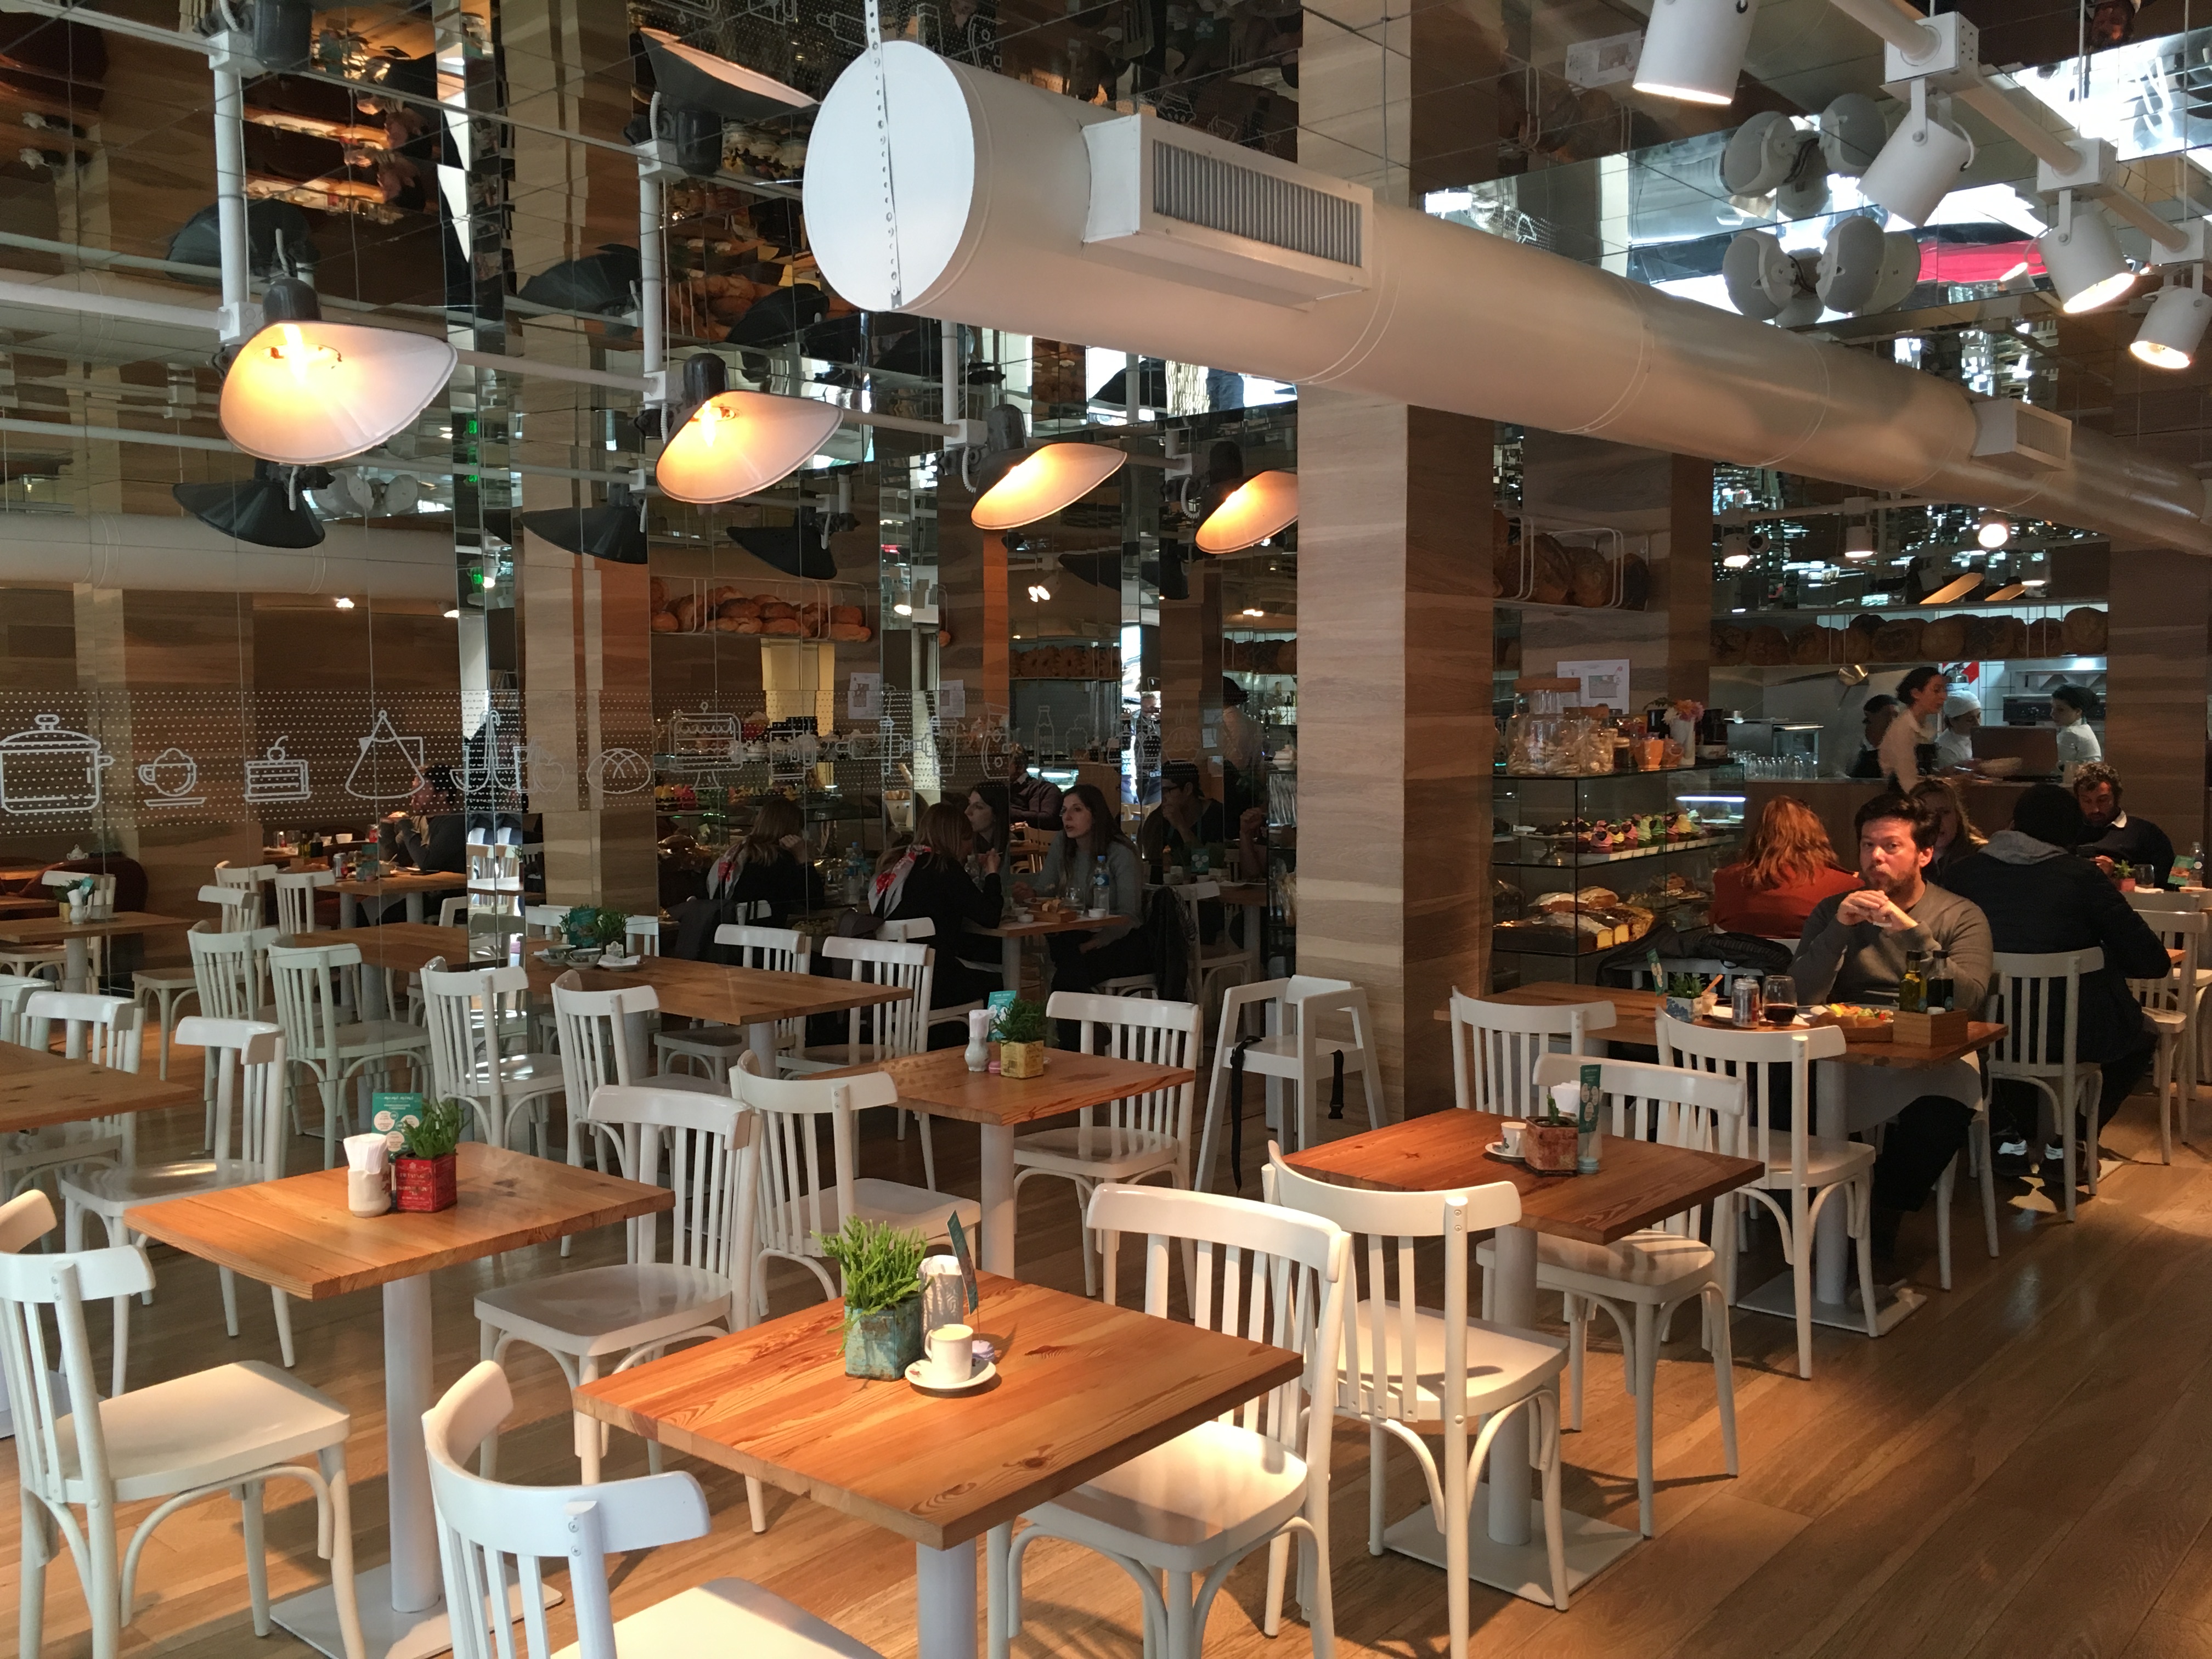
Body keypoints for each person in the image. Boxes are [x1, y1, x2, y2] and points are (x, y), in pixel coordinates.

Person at [1790, 793, 1993, 1271]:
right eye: (1867, 845)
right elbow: (1798, 994)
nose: (1876, 857)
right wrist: (1839, 930)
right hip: (1843, 1042)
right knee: (1775, 1087)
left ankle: (1881, 1216)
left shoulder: (1961, 915)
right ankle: (1806, 1211)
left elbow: (1969, 999)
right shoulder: (1833, 909)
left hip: (1928, 1044)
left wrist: (1911, 933)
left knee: (1943, 1108)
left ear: (1925, 854)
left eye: (1891, 846)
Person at [1945, 785, 2165, 1194]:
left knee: (2000, 1044)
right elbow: (2152, 962)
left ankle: (2004, 1133)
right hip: (2070, 1033)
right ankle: (2072, 1139)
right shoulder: (2082, 878)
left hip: (1979, 1033)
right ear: (2072, 834)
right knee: (2145, 1033)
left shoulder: (1963, 873)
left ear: (2013, 825)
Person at [872, 800, 1004, 1037]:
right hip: (932, 983)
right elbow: (990, 916)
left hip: (889, 979)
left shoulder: (900, 864)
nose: (970, 848)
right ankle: (997, 1046)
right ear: (956, 838)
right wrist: (993, 874)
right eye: (968, 840)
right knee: (997, 981)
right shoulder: (945, 867)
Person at [1013, 782, 1149, 1002]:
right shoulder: (1062, 843)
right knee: (1067, 958)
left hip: (1119, 940)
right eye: (1064, 811)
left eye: (1077, 810)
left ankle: (1073, 1019)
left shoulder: (1120, 853)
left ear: (1095, 816)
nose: (1067, 817)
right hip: (1075, 936)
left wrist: (1092, 944)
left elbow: (1130, 916)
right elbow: (1045, 889)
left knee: (1069, 972)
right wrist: (1031, 895)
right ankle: (1082, 1019)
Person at [1709, 795, 1860, 937]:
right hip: (1812, 957)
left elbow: (1714, 924)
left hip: (1736, 957)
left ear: (1758, 836)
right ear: (1816, 837)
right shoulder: (1847, 886)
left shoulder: (1725, 879)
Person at [709, 794, 823, 926]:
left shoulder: (737, 851)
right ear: (792, 830)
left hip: (727, 931)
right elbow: (815, 901)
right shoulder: (778, 859)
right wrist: (804, 858)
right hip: (763, 934)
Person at [2075, 760, 2175, 888]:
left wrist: (2116, 874)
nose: (2095, 809)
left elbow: (2166, 881)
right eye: (2087, 801)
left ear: (2117, 797)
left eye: (2102, 800)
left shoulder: (2145, 833)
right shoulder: (2070, 831)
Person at [1137, 760, 1226, 875]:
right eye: (1160, 792)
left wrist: (1181, 826)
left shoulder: (1217, 815)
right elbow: (1150, 862)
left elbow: (1211, 865)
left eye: (1167, 791)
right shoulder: (1160, 818)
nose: (1163, 798)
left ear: (1188, 789)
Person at [1877, 667, 1949, 790]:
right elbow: (1908, 782)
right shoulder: (1903, 729)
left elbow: (1926, 773)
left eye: (1945, 690)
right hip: (1904, 798)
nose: (1944, 696)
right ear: (1916, 693)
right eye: (1937, 690)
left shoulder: (1924, 726)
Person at [1909, 776, 1986, 888]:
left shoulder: (1981, 855)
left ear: (1957, 816)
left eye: (1944, 812)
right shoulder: (1907, 856)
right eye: (1927, 814)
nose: (1937, 821)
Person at [1218, 675, 1265, 816]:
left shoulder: (1222, 722)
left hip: (1227, 786)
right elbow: (1259, 761)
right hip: (1248, 786)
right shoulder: (1251, 722)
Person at [2051, 684, 2103, 786]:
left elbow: (2051, 766)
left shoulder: (2071, 733)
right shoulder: (2083, 728)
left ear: (2078, 712)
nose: (2052, 714)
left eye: (2060, 710)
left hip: (2081, 786)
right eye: (2052, 708)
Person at [1003, 743, 1063, 829]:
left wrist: (1008, 813)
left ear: (1021, 766)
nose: (998, 768)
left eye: (1005, 763)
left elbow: (1048, 820)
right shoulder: (997, 790)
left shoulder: (1046, 789)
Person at [1844, 694, 1899, 780]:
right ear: (1870, 716)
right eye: (1886, 715)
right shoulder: (1849, 744)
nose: (1892, 720)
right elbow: (1835, 772)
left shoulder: (1900, 746)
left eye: (1896, 716)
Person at [964, 780, 1011, 870]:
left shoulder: (1009, 849)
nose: (967, 812)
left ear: (996, 814)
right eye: (969, 804)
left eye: (978, 807)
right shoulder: (971, 844)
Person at [1934, 690, 1981, 772]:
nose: (1977, 724)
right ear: (1953, 721)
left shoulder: (1979, 737)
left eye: (1979, 716)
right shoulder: (1945, 749)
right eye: (1970, 720)